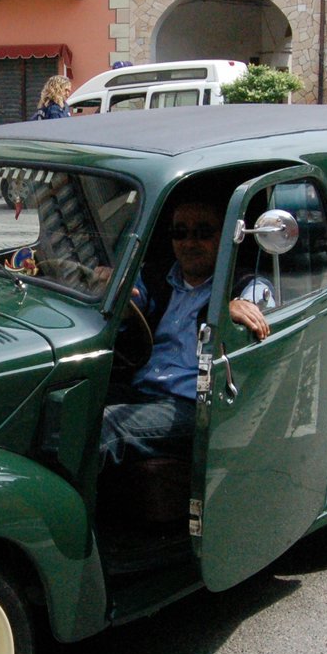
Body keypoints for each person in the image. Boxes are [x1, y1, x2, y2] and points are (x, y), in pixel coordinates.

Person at [97, 195, 273, 469]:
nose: (190, 243)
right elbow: (132, 301)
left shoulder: (243, 285)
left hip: (197, 406)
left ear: (224, 238)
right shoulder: (157, 276)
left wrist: (235, 308)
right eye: (181, 233)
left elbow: (261, 310)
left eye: (203, 233)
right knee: (76, 402)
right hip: (143, 389)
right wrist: (113, 295)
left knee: (108, 426)